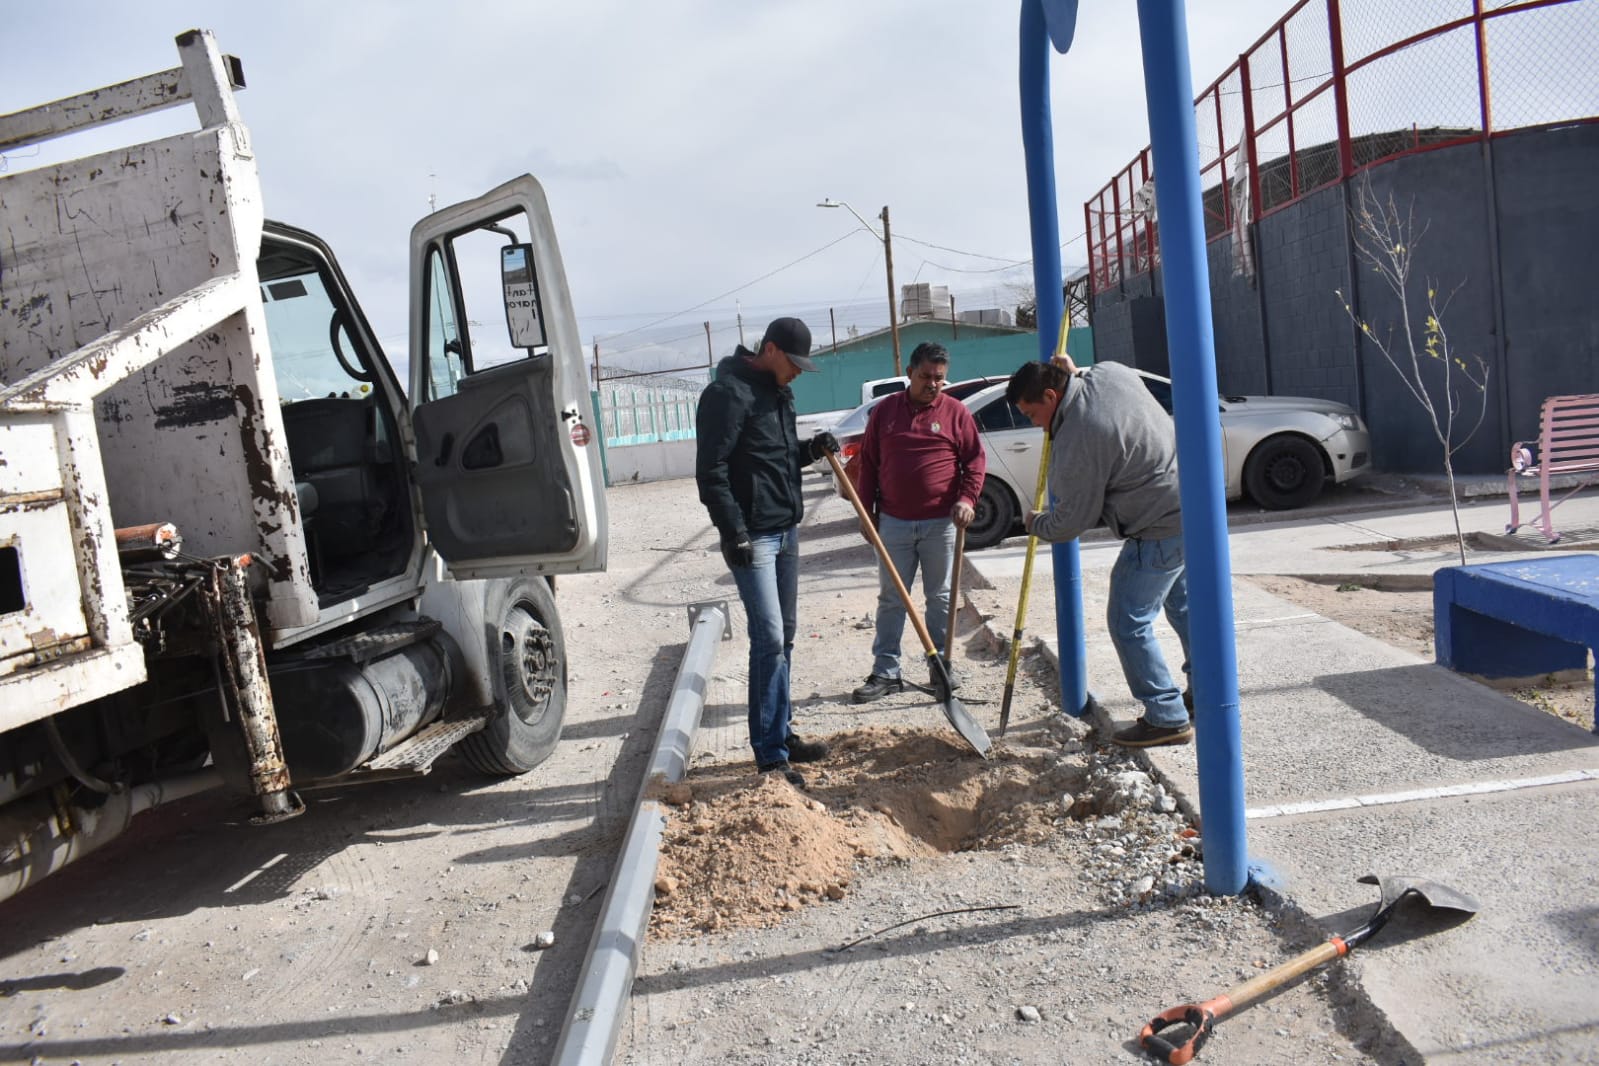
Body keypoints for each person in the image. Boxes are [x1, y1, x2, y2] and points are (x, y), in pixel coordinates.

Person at [1006, 358, 1194, 747]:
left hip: (1157, 525)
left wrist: (1034, 522)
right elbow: (1084, 379)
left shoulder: (1079, 435)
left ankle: (1166, 716)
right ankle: (1205, 690)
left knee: (1128, 620)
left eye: (1032, 413)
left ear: (1051, 395)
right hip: (1191, 506)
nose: (1034, 424)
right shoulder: (1110, 371)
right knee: (1183, 606)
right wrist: (1075, 371)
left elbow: (1070, 523)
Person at [696, 317, 839, 787]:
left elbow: (776, 457)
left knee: (787, 637)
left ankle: (783, 732)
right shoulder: (727, 395)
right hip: (753, 538)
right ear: (771, 350)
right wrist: (733, 531)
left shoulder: (779, 394)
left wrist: (812, 449)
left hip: (786, 532)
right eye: (794, 363)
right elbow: (712, 471)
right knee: (770, 638)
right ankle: (771, 756)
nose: (798, 372)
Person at [850, 342, 987, 703]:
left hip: (941, 523)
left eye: (939, 378)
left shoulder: (956, 413)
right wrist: (866, 512)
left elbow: (974, 461)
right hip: (893, 522)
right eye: (926, 376)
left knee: (940, 597)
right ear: (909, 373)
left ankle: (941, 667)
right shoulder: (885, 413)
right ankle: (886, 672)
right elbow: (869, 466)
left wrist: (966, 499)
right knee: (892, 598)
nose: (933, 384)